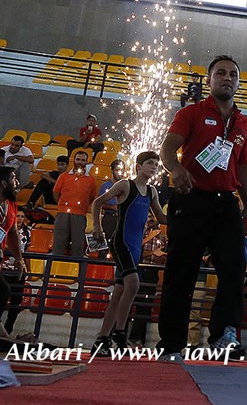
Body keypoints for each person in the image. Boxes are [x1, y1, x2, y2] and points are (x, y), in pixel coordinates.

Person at [157, 54, 247, 359]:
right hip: (191, 199)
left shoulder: (243, 122)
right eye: (221, 73)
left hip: (226, 204)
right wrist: (176, 170)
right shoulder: (191, 113)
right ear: (209, 80)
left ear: (238, 83)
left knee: (234, 268)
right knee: (181, 272)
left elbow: (243, 166)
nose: (227, 78)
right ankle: (171, 344)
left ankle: (224, 335)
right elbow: (167, 149)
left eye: (233, 74)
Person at [90, 150, 167, 353]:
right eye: (149, 163)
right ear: (138, 166)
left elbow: (161, 218)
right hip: (121, 242)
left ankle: (102, 339)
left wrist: (185, 217)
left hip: (135, 247)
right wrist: (97, 226)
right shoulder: (125, 185)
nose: (153, 167)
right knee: (133, 284)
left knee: (119, 293)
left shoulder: (151, 191)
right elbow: (97, 202)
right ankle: (120, 334)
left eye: (156, 164)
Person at [53, 148, 98, 256]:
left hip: (80, 214)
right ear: (74, 160)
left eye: (83, 160)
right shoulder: (63, 176)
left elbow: (92, 197)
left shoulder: (91, 180)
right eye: (78, 159)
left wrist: (81, 207)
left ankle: (76, 266)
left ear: (86, 162)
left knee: (77, 246)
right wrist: (62, 205)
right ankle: (55, 265)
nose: (80, 162)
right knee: (58, 244)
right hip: (63, 213)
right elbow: (56, 193)